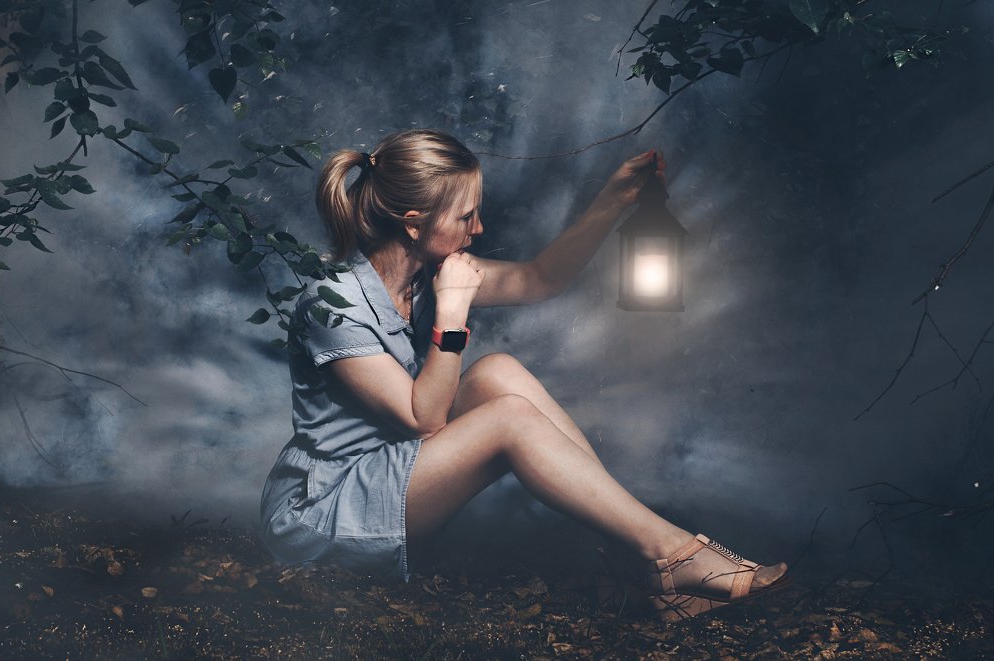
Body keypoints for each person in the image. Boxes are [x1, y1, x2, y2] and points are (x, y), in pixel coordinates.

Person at [259, 129, 788, 620]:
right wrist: (453, 314)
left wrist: (612, 201)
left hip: (389, 471)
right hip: (325, 512)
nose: (479, 229)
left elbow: (541, 278)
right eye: (466, 217)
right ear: (414, 222)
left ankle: (634, 562)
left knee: (498, 373)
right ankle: (668, 555)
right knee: (509, 418)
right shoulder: (331, 307)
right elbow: (423, 421)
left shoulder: (428, 277)